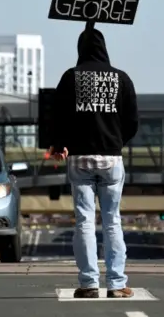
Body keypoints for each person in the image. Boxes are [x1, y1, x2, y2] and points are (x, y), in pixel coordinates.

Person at [48, 28, 139, 299]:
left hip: (79, 157)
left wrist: (59, 143)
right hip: (111, 157)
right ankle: (116, 284)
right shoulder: (121, 79)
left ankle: (88, 283)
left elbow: (57, 116)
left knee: (84, 221)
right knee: (112, 221)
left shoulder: (70, 77)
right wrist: (115, 141)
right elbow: (132, 121)